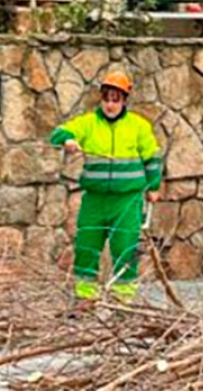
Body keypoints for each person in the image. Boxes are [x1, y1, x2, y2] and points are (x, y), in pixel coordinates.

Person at [50, 71, 162, 305]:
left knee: (125, 250)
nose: (110, 104)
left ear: (124, 101)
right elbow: (58, 133)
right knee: (87, 248)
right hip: (95, 200)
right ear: (101, 99)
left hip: (127, 201)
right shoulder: (88, 123)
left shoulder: (138, 126)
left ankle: (123, 303)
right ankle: (85, 300)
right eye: (107, 99)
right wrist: (68, 140)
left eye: (116, 99)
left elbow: (152, 158)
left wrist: (154, 186)